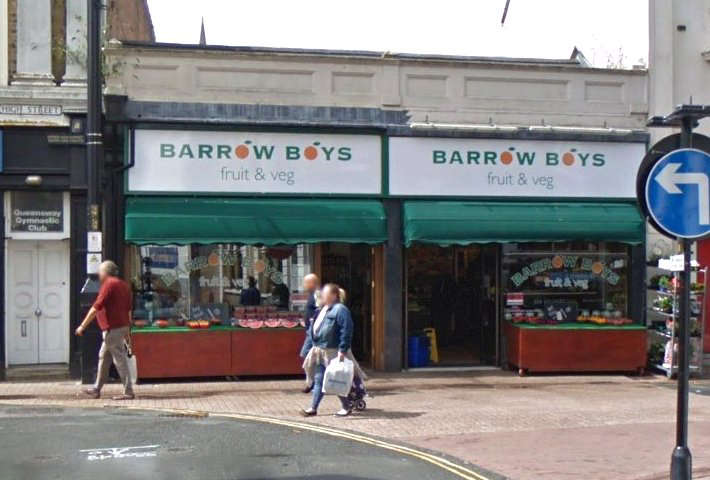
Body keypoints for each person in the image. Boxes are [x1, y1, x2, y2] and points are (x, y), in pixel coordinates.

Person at [300, 283, 365, 418]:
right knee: (319, 380)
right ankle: (313, 408)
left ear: (334, 296)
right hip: (319, 350)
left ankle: (346, 406)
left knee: (334, 380)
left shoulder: (340, 310)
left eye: (325, 293)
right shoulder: (322, 309)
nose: (322, 295)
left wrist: (342, 349)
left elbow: (347, 330)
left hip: (333, 351)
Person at [75, 260, 134, 400]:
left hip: (112, 328)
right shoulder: (124, 285)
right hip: (121, 326)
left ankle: (128, 392)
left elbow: (96, 307)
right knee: (104, 357)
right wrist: (128, 330)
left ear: (106, 272)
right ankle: (97, 389)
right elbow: (128, 309)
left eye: (100, 271)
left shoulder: (109, 284)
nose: (98, 273)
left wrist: (83, 326)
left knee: (119, 359)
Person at [299, 273, 320, 393]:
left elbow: (319, 310)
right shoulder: (312, 294)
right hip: (310, 331)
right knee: (309, 357)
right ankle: (312, 382)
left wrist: (313, 323)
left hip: (314, 331)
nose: (304, 285)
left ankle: (313, 382)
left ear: (312, 283)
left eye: (306, 282)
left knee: (306, 354)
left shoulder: (317, 294)